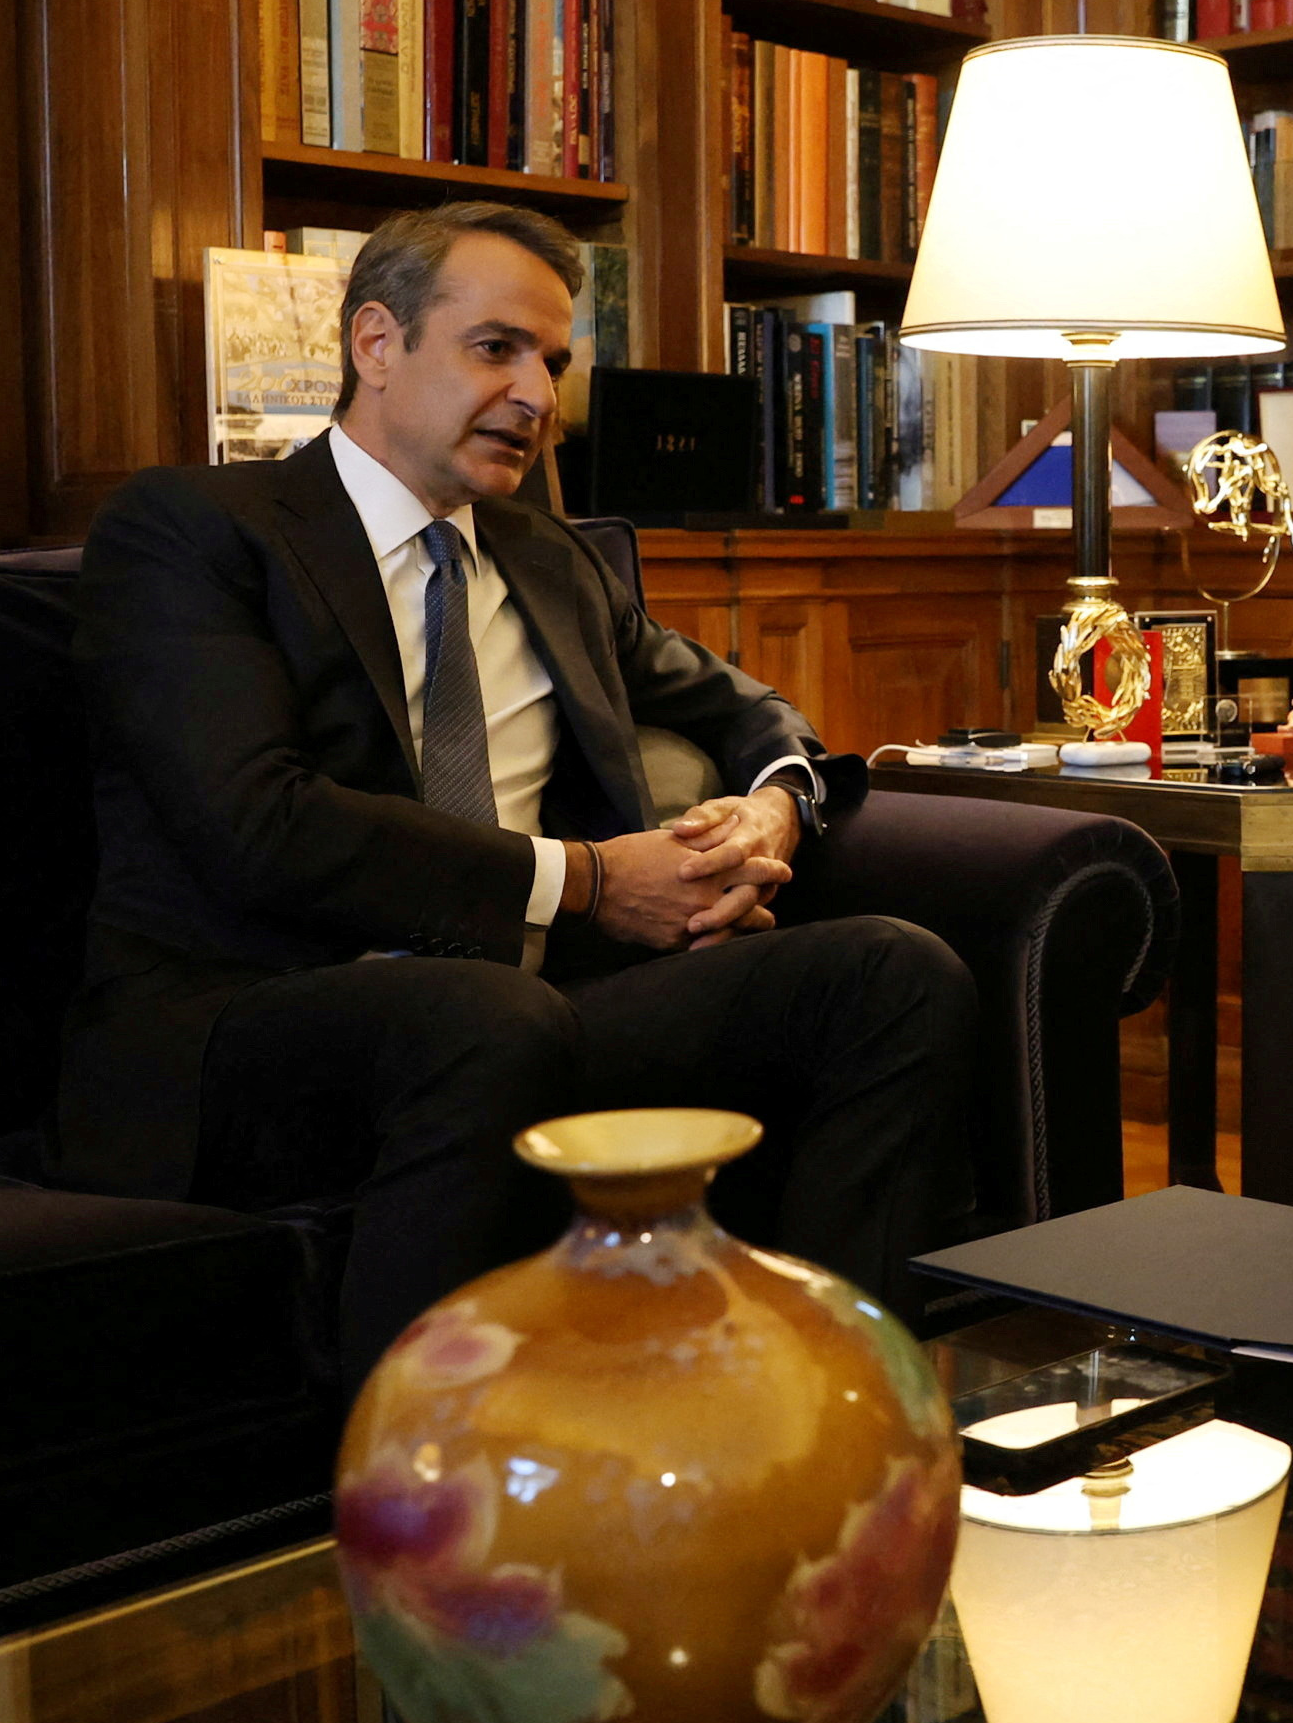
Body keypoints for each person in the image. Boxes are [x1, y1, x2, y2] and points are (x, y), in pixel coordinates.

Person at [55, 201, 976, 1394]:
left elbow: (748, 712)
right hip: (253, 1017)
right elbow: (256, 823)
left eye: (554, 361)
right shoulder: (197, 531)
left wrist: (774, 811)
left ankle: (835, 1414)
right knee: (487, 1016)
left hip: (522, 1010)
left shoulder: (550, 561)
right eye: (497, 348)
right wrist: (591, 882)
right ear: (375, 343)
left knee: (893, 975)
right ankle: (410, 1500)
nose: (539, 395)